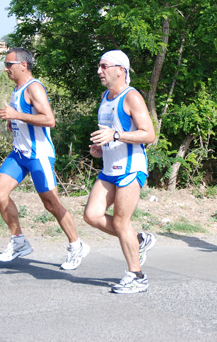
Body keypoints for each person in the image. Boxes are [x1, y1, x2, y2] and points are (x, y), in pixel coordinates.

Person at [0, 47, 89, 270]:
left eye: (9, 65)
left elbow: (49, 120)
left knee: (51, 204)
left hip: (39, 156)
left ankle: (77, 245)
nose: (6, 69)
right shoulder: (17, 89)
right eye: (5, 65)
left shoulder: (34, 87)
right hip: (19, 154)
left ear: (23, 65)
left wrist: (16, 115)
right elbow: (26, 118)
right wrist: (12, 122)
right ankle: (19, 242)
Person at [84, 50, 157, 294]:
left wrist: (115, 135)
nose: (99, 71)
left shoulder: (132, 97)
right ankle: (137, 241)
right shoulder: (105, 96)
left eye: (104, 66)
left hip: (130, 167)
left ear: (120, 70)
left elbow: (149, 134)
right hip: (109, 167)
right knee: (92, 216)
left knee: (120, 221)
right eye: (99, 66)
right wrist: (101, 147)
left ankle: (137, 276)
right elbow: (111, 133)